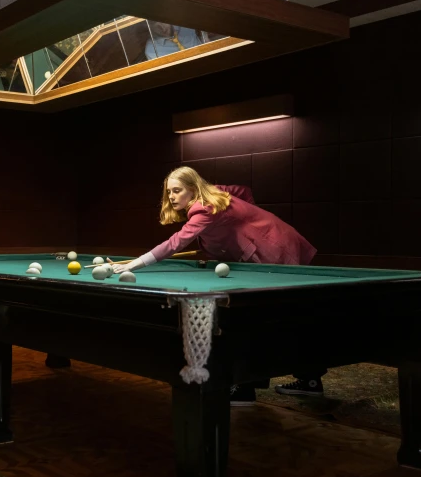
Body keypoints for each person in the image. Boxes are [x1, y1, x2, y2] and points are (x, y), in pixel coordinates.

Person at [113, 166, 325, 405]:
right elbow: (243, 191)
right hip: (275, 241)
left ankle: (247, 390)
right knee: (287, 316)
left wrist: (136, 263)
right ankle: (309, 381)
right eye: (168, 191)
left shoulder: (205, 207)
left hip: (274, 251)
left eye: (176, 190)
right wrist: (246, 221)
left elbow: (176, 242)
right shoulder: (215, 192)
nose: (171, 196)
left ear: (192, 190)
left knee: (258, 319)